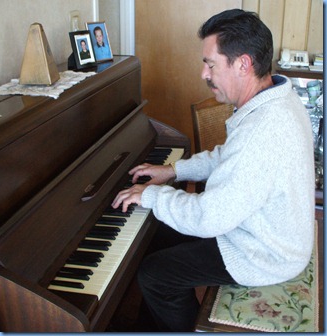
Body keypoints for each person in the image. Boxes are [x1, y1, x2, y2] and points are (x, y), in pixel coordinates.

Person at [112, 8, 315, 332]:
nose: (204, 74)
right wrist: (174, 171)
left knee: (155, 275)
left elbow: (208, 218)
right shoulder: (275, 99)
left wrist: (151, 194)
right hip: (265, 231)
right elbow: (226, 157)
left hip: (267, 253)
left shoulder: (263, 131)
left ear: (243, 64)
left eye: (210, 64)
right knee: (155, 233)